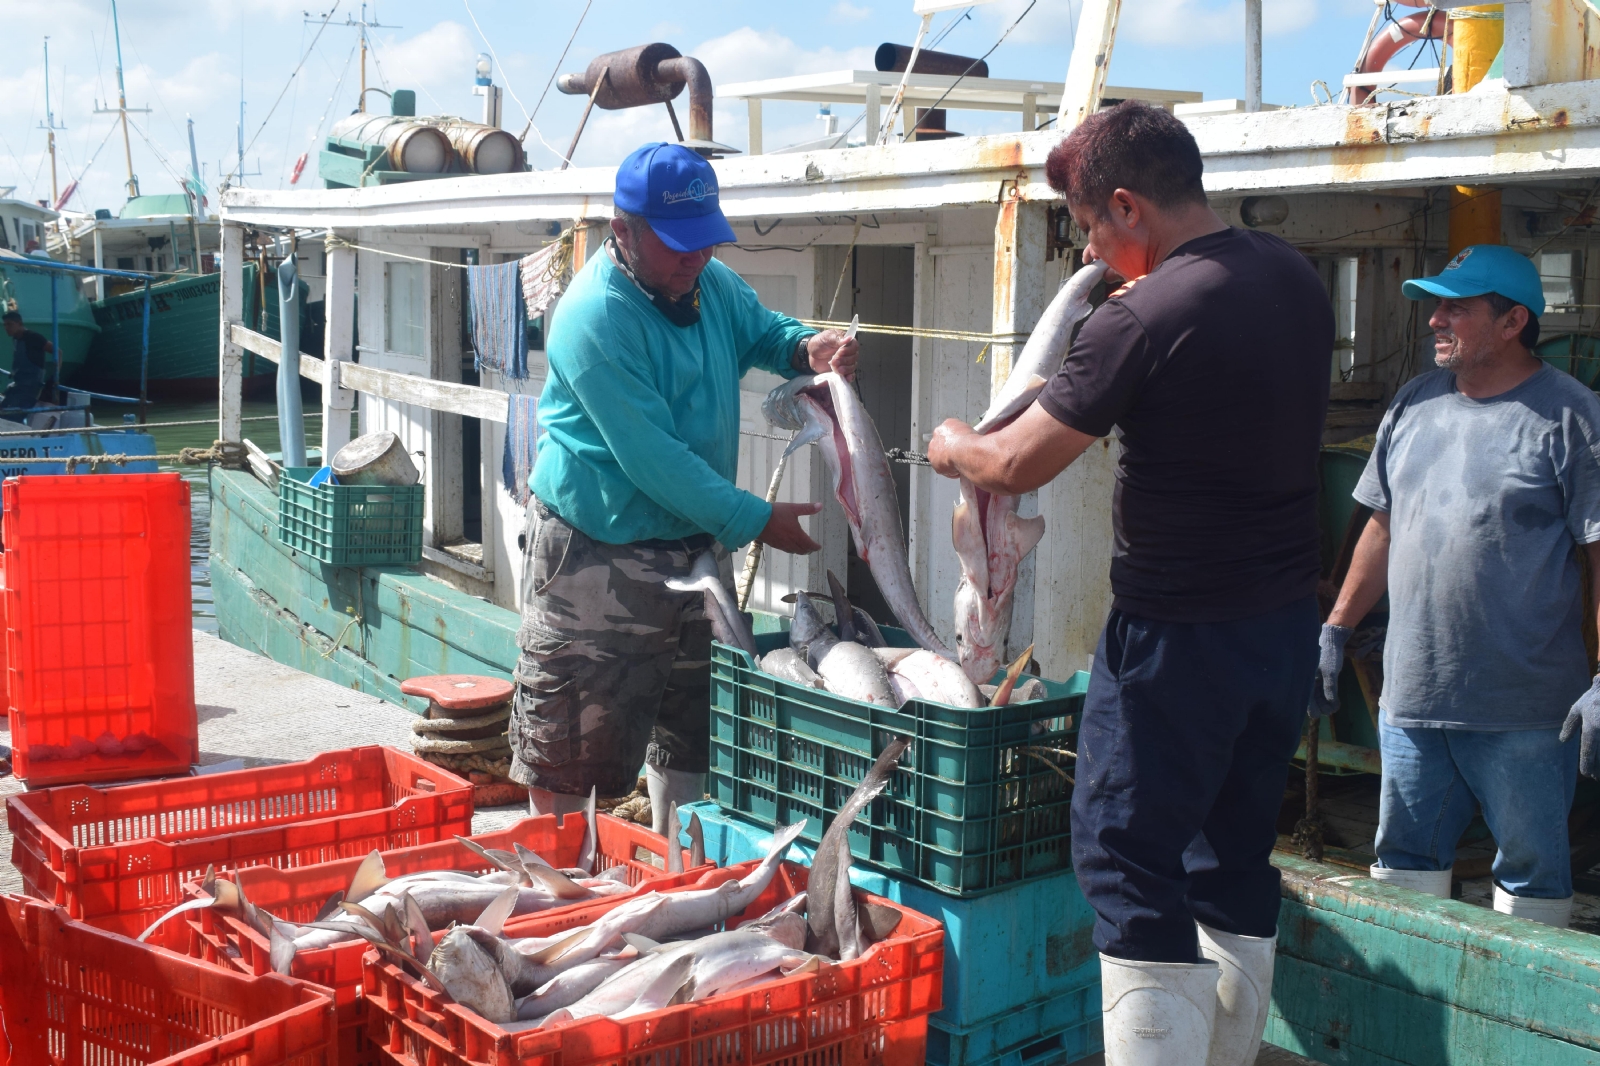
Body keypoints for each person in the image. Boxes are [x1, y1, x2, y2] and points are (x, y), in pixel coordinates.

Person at [927, 101, 1332, 1066]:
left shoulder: (1141, 320)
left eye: (1090, 227)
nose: (1092, 250)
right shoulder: (1293, 278)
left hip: (1175, 640)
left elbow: (1017, 465)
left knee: (1124, 859)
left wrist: (952, 446)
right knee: (1230, 854)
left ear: (1126, 206)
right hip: (1279, 629)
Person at [511, 142, 858, 825]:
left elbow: (760, 332)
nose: (694, 258)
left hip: (695, 555)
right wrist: (758, 521)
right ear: (623, 231)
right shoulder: (593, 318)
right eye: (677, 245)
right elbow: (655, 462)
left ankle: (675, 868)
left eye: (704, 241)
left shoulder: (709, 283)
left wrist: (802, 347)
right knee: (569, 754)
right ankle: (550, 891)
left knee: (696, 735)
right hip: (595, 554)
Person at [1315, 245, 1600, 929]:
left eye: (1457, 308)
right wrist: (1336, 628)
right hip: (1411, 700)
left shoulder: (1573, 417)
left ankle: (1527, 1028)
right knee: (1403, 866)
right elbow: (1383, 527)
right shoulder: (1415, 403)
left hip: (1526, 711)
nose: (1436, 319)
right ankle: (1416, 1032)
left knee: (1531, 882)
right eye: (1436, 305)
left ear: (1511, 323)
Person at [1, 311, 53, 413]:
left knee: (10, 413)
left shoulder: (33, 337)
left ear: (19, 323)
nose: (6, 327)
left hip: (30, 388)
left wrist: (55, 377)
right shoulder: (16, 339)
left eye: (10, 324)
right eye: (5, 325)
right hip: (18, 384)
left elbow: (57, 351)